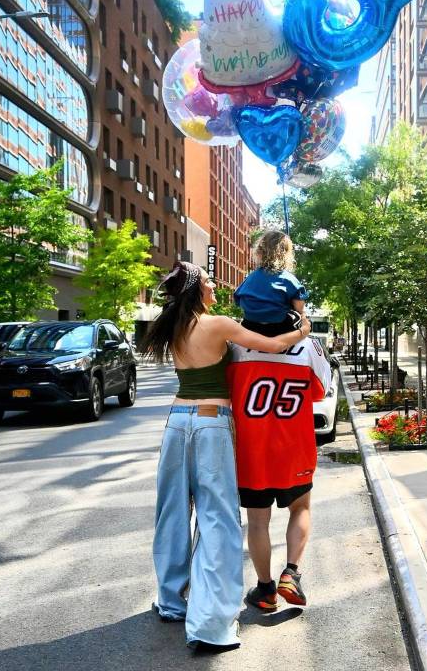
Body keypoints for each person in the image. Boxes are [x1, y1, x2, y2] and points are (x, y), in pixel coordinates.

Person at [143, 260, 311, 652]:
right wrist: (303, 326)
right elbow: (272, 345)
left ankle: (171, 601)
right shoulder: (217, 325)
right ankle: (211, 625)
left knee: (171, 512)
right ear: (196, 290)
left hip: (176, 422)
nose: (215, 287)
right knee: (218, 520)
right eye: (209, 283)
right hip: (210, 424)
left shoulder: (173, 327)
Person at [226, 323, 331, 612]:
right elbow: (321, 390)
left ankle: (265, 589)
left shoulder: (236, 345)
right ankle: (291, 574)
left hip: (251, 449)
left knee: (258, 521)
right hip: (294, 447)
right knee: (301, 508)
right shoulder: (308, 346)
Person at [234, 230, 308, 333]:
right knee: (302, 319)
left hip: (250, 328)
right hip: (279, 329)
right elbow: (300, 308)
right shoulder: (290, 280)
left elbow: (238, 300)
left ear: (259, 252)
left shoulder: (250, 278)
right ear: (285, 254)